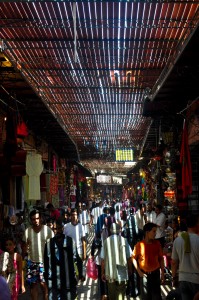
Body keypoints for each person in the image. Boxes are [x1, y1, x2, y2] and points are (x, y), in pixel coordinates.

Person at [23, 209, 54, 300]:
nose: (35, 221)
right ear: (30, 220)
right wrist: (24, 262)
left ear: (40, 218)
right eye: (33, 219)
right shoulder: (27, 231)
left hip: (44, 262)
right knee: (33, 286)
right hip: (31, 262)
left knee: (44, 285)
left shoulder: (47, 230)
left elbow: (53, 245)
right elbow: (24, 246)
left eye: (37, 218)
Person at [44, 219, 78, 300]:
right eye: (56, 229)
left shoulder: (70, 241)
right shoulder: (49, 243)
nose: (58, 231)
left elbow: (76, 259)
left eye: (60, 228)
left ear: (63, 228)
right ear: (53, 229)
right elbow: (46, 263)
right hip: (54, 281)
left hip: (68, 281)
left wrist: (79, 275)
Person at [132, 222, 165, 300]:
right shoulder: (139, 245)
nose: (155, 234)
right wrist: (139, 271)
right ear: (147, 232)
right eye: (153, 231)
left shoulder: (157, 244)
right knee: (146, 297)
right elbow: (133, 258)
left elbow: (161, 259)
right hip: (144, 275)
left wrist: (162, 273)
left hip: (156, 274)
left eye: (155, 231)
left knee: (157, 297)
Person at [101, 223, 132, 300]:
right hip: (122, 273)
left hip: (110, 273)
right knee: (121, 293)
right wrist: (130, 269)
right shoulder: (124, 241)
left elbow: (102, 260)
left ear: (110, 230)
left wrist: (102, 272)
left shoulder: (106, 242)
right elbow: (129, 257)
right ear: (119, 230)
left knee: (112, 294)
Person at [171, 214, 199, 300]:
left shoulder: (177, 240)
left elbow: (174, 262)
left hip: (183, 279)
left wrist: (174, 277)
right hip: (196, 280)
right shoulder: (198, 240)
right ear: (197, 224)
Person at [63, 208, 86, 281]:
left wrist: (84, 253)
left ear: (77, 216)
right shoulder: (66, 226)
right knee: (71, 270)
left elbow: (83, 241)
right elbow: (64, 240)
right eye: (72, 215)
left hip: (79, 251)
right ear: (70, 216)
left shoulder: (81, 226)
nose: (74, 216)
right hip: (69, 252)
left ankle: (79, 277)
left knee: (79, 271)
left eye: (75, 215)